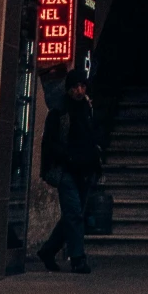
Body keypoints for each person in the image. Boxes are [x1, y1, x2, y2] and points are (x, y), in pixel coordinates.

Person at [37, 70, 103, 273]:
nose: (79, 91)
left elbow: (92, 137)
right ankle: (77, 257)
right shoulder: (60, 111)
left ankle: (49, 250)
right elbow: (50, 142)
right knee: (74, 213)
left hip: (84, 169)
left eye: (82, 86)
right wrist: (67, 158)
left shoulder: (87, 109)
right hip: (66, 169)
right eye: (76, 87)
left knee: (72, 215)